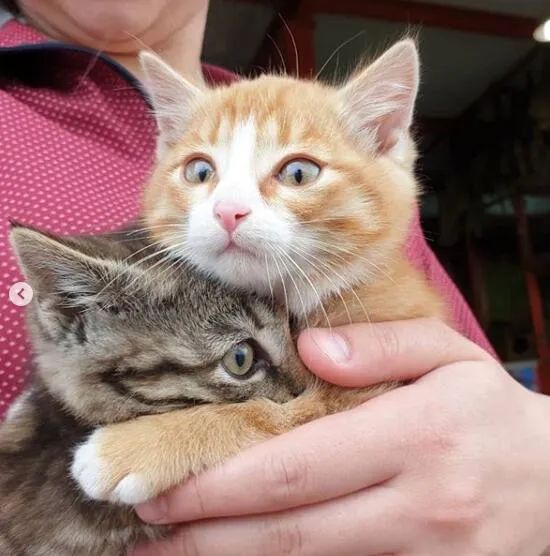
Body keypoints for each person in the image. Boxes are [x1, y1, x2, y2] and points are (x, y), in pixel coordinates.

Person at [1, 2, 550, 554]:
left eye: (296, 172)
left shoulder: (379, 257)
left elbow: (477, 404)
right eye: (200, 171)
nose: (230, 208)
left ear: (384, 140)